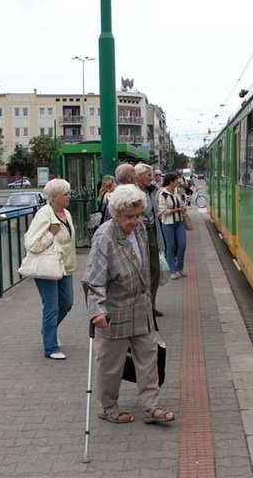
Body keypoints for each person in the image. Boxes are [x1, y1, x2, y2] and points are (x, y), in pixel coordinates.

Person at [83, 184, 175, 425]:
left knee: (149, 356)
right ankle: (109, 407)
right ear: (116, 213)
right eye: (130, 217)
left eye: (138, 215)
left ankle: (150, 406)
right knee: (111, 364)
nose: (135, 221)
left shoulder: (140, 230)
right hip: (114, 311)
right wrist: (97, 311)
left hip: (140, 307)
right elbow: (94, 281)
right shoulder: (105, 237)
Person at [23, 178, 76, 360]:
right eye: (66, 194)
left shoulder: (66, 214)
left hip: (65, 266)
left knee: (67, 303)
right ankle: (51, 347)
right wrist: (50, 234)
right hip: (47, 268)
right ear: (54, 197)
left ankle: (48, 330)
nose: (69, 196)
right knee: (51, 306)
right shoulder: (44, 214)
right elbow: (31, 243)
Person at [135, 163, 164, 316]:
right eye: (148, 175)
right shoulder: (131, 192)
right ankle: (142, 306)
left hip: (152, 232)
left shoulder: (151, 191)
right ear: (138, 176)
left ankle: (151, 305)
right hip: (138, 234)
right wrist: (136, 218)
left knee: (155, 270)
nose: (151, 178)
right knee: (141, 270)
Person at [157, 172, 187, 280]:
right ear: (171, 182)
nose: (178, 182)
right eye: (176, 180)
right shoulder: (162, 194)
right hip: (168, 224)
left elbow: (181, 203)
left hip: (179, 222)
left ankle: (179, 266)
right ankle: (172, 269)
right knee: (171, 247)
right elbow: (163, 211)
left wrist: (183, 208)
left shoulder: (176, 191)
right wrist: (177, 210)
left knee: (182, 244)